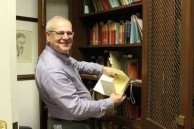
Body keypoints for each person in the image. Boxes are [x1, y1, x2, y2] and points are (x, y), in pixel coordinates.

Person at [35, 16, 126, 129]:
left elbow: (78, 65)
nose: (66, 37)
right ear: (48, 36)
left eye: (69, 33)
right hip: (69, 124)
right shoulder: (52, 69)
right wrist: (110, 102)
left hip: (75, 121)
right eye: (60, 33)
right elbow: (76, 107)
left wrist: (103, 69)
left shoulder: (59, 55)